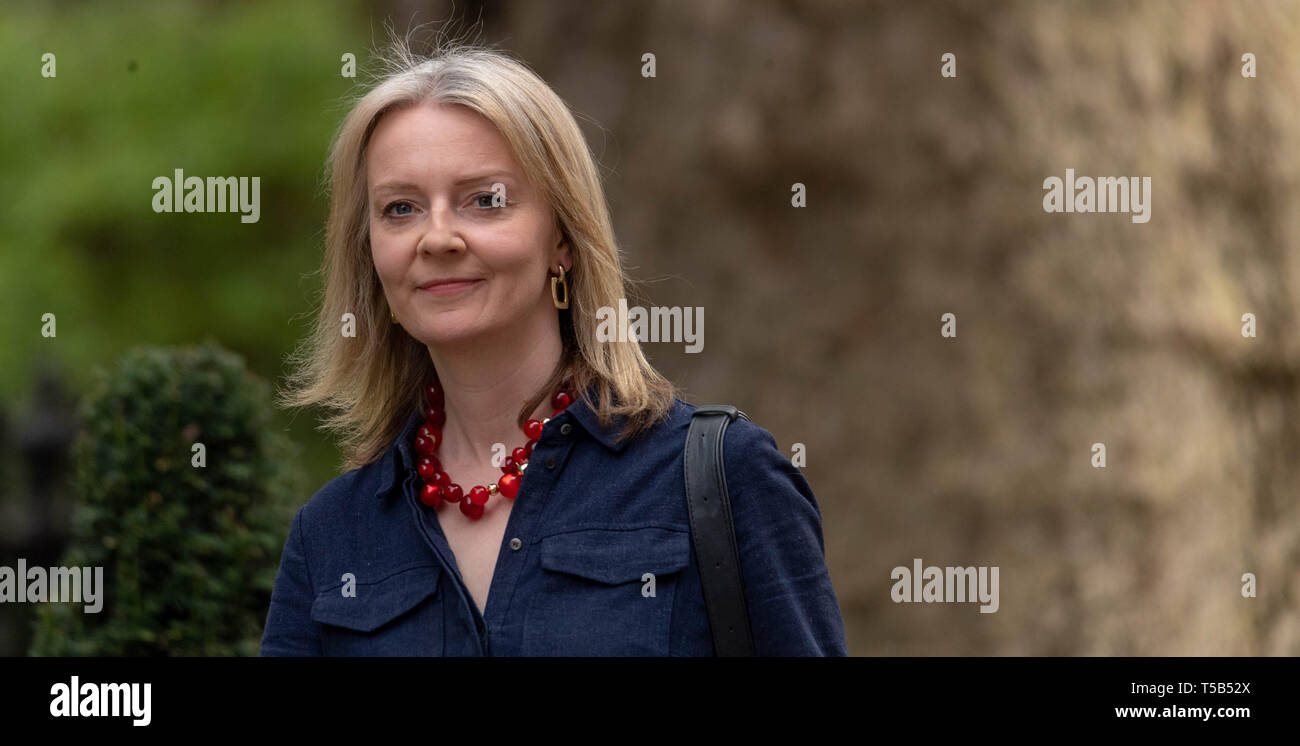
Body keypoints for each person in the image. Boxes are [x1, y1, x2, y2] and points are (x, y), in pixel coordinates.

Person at [260, 39, 847, 656]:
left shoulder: (721, 480)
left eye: (485, 200)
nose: (437, 237)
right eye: (399, 208)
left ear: (562, 239)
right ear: (371, 253)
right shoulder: (329, 538)